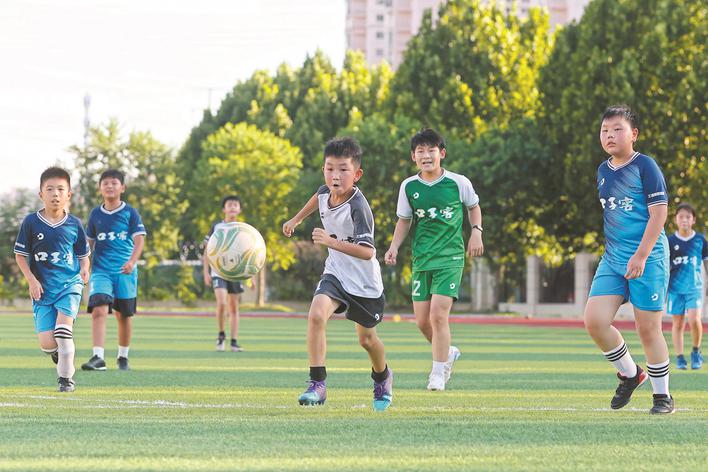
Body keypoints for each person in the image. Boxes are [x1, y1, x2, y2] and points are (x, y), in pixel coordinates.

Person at [283, 136, 393, 411]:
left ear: (357, 174)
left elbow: (368, 252)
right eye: (330, 168)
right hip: (335, 273)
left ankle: (383, 377)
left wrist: (330, 242)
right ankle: (317, 384)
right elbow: (316, 198)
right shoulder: (324, 192)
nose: (335, 175)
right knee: (316, 315)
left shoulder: (359, 207)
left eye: (343, 170)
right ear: (323, 170)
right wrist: (296, 219)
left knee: (367, 340)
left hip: (364, 283)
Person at [584, 105, 674, 414]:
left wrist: (641, 255)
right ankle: (630, 373)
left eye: (617, 129)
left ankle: (663, 397)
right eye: (604, 130)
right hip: (613, 259)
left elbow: (659, 214)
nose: (609, 135)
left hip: (648, 257)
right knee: (595, 321)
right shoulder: (603, 170)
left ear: (633, 134)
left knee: (648, 328)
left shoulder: (645, 166)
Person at [384, 128, 483, 391]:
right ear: (413, 156)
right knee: (422, 322)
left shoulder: (458, 182)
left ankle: (438, 373)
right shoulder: (409, 186)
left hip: (450, 258)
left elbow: (473, 207)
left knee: (439, 315)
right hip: (421, 260)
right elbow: (404, 221)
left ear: (442, 154)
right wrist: (394, 247)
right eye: (421, 151)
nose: (426, 156)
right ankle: (447, 353)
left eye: (431, 150)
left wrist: (476, 232)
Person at [14, 166, 91, 392]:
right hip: (43, 290)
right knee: (48, 345)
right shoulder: (31, 222)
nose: (55, 194)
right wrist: (32, 281)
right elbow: (20, 256)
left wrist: (84, 270)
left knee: (63, 333)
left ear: (69, 194)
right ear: (41, 194)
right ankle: (58, 353)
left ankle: (66, 380)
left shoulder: (74, 224)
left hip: (69, 285)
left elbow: (83, 256)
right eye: (49, 189)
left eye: (60, 189)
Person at [81, 169, 146, 372]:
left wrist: (132, 261)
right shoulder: (95, 214)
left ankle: (123, 356)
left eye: (114, 183)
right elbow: (89, 243)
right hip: (101, 271)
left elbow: (139, 240)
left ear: (122, 188)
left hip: (125, 271)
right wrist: (84, 266)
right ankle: (98, 357)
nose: (110, 186)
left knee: (123, 315)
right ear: (100, 188)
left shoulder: (130, 213)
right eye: (105, 183)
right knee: (98, 310)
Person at [667, 203, 707, 370]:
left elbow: (706, 262)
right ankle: (680, 357)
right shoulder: (669, 241)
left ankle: (696, 352)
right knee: (678, 323)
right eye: (681, 217)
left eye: (688, 217)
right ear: (676, 219)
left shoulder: (700, 240)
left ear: (693, 220)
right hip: (675, 289)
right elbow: (665, 266)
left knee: (694, 320)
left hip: (694, 288)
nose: (684, 220)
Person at [203, 195, 245, 352]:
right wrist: (206, 272)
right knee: (221, 303)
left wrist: (252, 276)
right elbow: (207, 251)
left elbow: (249, 253)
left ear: (239, 209)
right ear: (224, 209)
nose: (233, 207)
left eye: (235, 204)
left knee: (234, 307)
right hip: (218, 271)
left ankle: (234, 342)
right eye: (230, 204)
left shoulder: (243, 229)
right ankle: (221, 336)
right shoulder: (217, 227)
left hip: (236, 272)